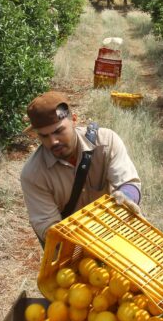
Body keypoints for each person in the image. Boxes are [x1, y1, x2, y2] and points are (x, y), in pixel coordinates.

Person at [20, 91, 142, 246]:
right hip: (70, 244)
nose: (53, 141)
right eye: (44, 136)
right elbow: (48, 226)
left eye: (58, 131)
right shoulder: (33, 174)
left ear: (74, 120)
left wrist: (126, 196)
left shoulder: (106, 142)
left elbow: (130, 183)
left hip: (111, 230)